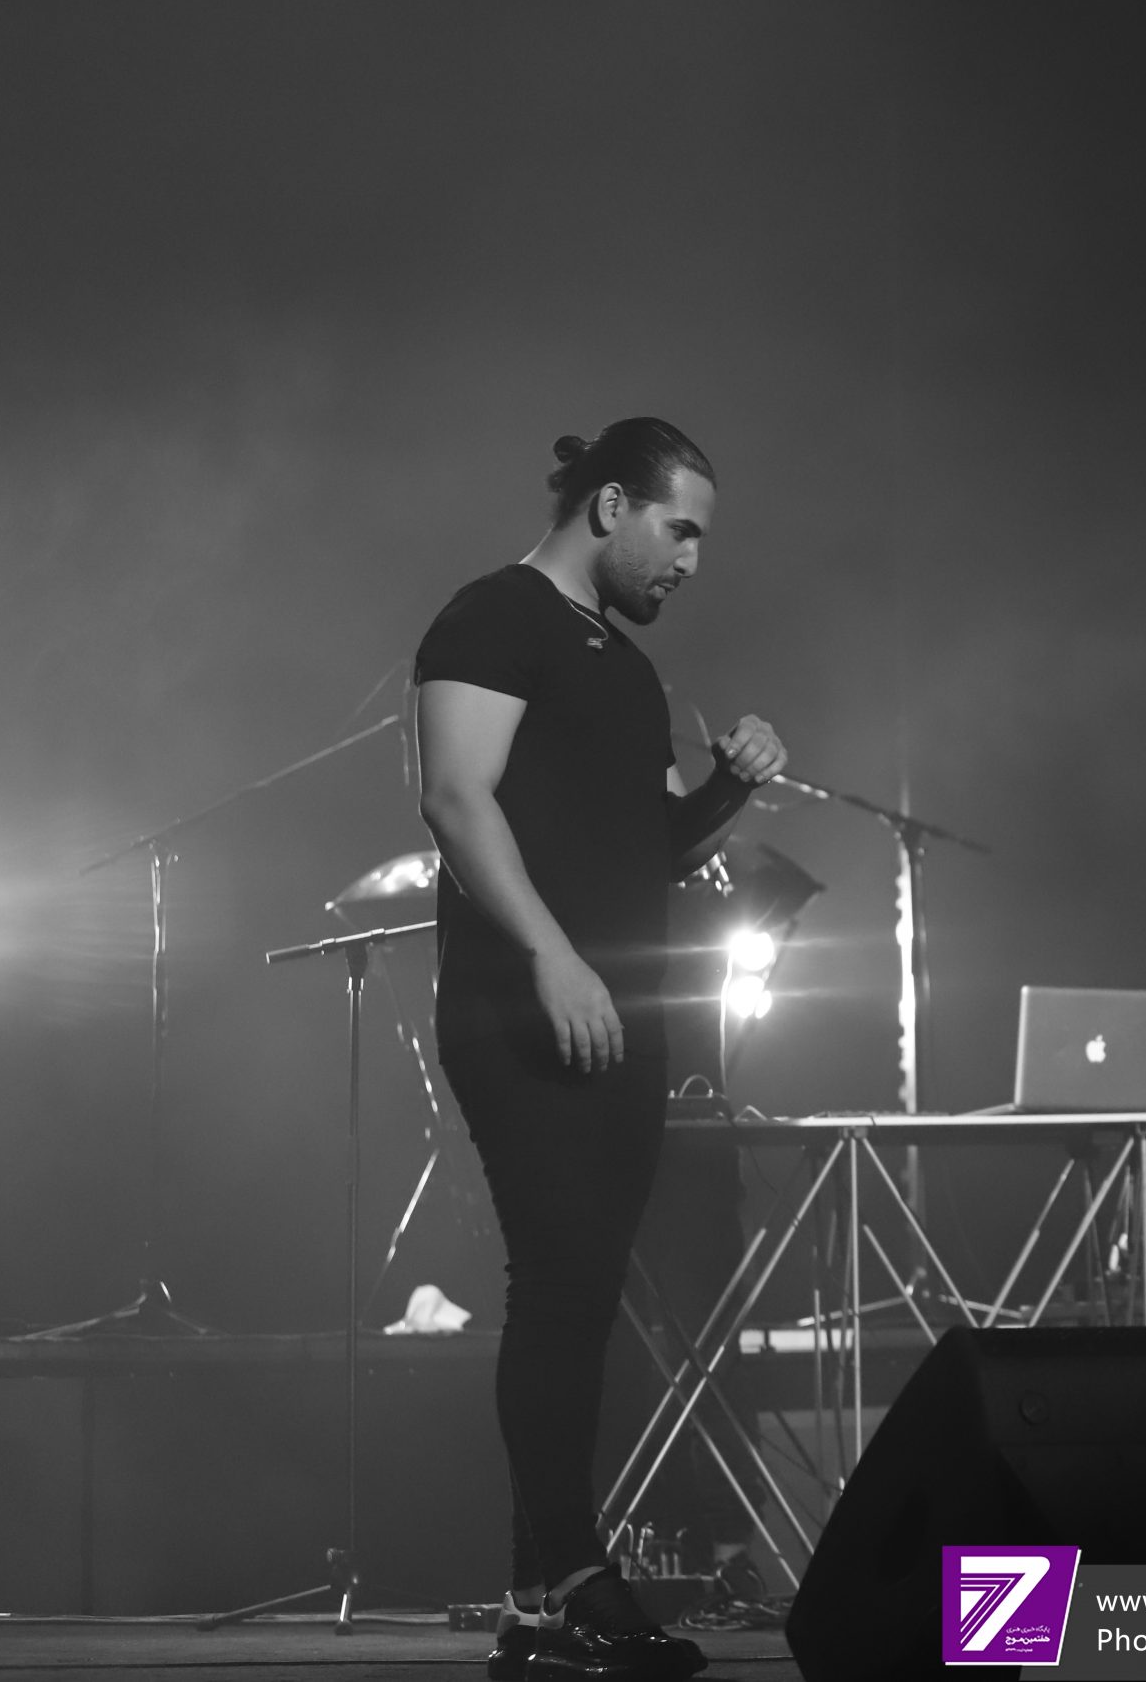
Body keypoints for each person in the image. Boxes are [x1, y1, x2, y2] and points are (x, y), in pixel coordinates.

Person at [416, 418, 788, 1681]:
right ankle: (574, 1580)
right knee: (559, 1285)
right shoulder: (494, 617)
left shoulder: (626, 669)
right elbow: (454, 796)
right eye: (679, 529)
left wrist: (728, 787)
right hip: (523, 1005)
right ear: (612, 504)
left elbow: (648, 848)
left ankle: (539, 1602)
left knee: (584, 1300)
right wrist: (549, 953)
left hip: (620, 1018)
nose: (690, 560)